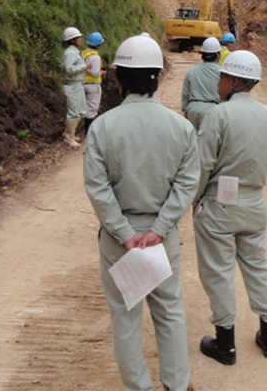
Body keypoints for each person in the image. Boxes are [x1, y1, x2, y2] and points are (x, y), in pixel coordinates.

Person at [84, 34, 198, 391]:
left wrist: (123, 232)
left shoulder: (102, 127)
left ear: (118, 79)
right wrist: (160, 229)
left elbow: (98, 188)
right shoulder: (180, 127)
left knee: (126, 318)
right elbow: (186, 184)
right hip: (161, 240)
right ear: (158, 76)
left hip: (122, 243)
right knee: (170, 313)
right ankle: (177, 385)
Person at [193, 50, 267, 365]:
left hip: (221, 203)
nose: (218, 82)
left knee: (219, 271)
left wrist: (196, 198)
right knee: (258, 267)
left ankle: (225, 344)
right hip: (255, 201)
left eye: (221, 76)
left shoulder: (218, 115)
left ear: (232, 80)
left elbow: (203, 163)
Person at [181, 37, 221, 130]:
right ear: (218, 55)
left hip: (193, 109)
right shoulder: (221, 73)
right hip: (213, 110)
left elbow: (185, 93)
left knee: (193, 141)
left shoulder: (192, 70)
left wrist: (185, 110)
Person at [62, 26, 87, 148]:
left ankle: (71, 133)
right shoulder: (70, 53)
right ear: (72, 40)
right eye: (78, 38)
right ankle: (68, 138)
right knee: (74, 113)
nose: (80, 40)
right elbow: (69, 69)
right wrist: (85, 66)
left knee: (81, 111)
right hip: (72, 85)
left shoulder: (75, 52)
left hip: (78, 84)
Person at [82, 31, 106, 133]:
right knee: (91, 109)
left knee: (84, 108)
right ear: (98, 45)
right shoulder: (95, 57)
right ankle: (89, 132)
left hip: (83, 84)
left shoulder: (84, 54)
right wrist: (102, 73)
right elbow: (95, 73)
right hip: (93, 85)